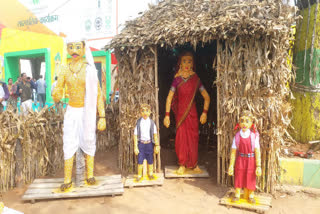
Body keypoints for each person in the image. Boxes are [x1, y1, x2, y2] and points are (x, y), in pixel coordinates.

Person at [52, 39, 106, 191]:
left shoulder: (89, 70)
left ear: (83, 49)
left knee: (89, 140)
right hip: (71, 112)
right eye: (71, 47)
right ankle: (67, 179)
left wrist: (102, 116)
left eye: (77, 47)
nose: (74, 50)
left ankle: (90, 175)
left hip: (86, 112)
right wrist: (56, 93)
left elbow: (98, 94)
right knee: (68, 142)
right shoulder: (63, 70)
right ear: (67, 49)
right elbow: (58, 93)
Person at [163, 51, 210, 175]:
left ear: (193, 63)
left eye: (190, 61)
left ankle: (193, 164)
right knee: (181, 138)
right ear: (180, 63)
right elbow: (169, 98)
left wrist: (204, 113)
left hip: (193, 114)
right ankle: (182, 164)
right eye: (184, 61)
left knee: (193, 138)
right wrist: (167, 115)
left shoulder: (196, 80)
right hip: (181, 114)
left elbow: (206, 97)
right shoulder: (177, 80)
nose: (187, 64)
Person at [228, 110, 261, 204]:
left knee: (250, 176)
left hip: (251, 159)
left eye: (247, 121)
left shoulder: (254, 136)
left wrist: (258, 166)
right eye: (242, 121)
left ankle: (251, 195)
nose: (244, 124)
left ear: (251, 123)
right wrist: (231, 165)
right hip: (240, 159)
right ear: (239, 122)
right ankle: (237, 194)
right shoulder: (237, 136)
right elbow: (233, 152)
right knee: (239, 175)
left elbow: (257, 151)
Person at [134, 103, 160, 181]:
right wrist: (135, 146)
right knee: (140, 160)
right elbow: (135, 135)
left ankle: (150, 173)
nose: (145, 113)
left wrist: (157, 145)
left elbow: (155, 135)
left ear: (150, 112)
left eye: (147, 111)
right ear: (140, 112)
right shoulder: (138, 123)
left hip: (149, 144)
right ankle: (139, 175)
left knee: (150, 159)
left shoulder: (152, 123)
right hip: (141, 144)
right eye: (143, 111)